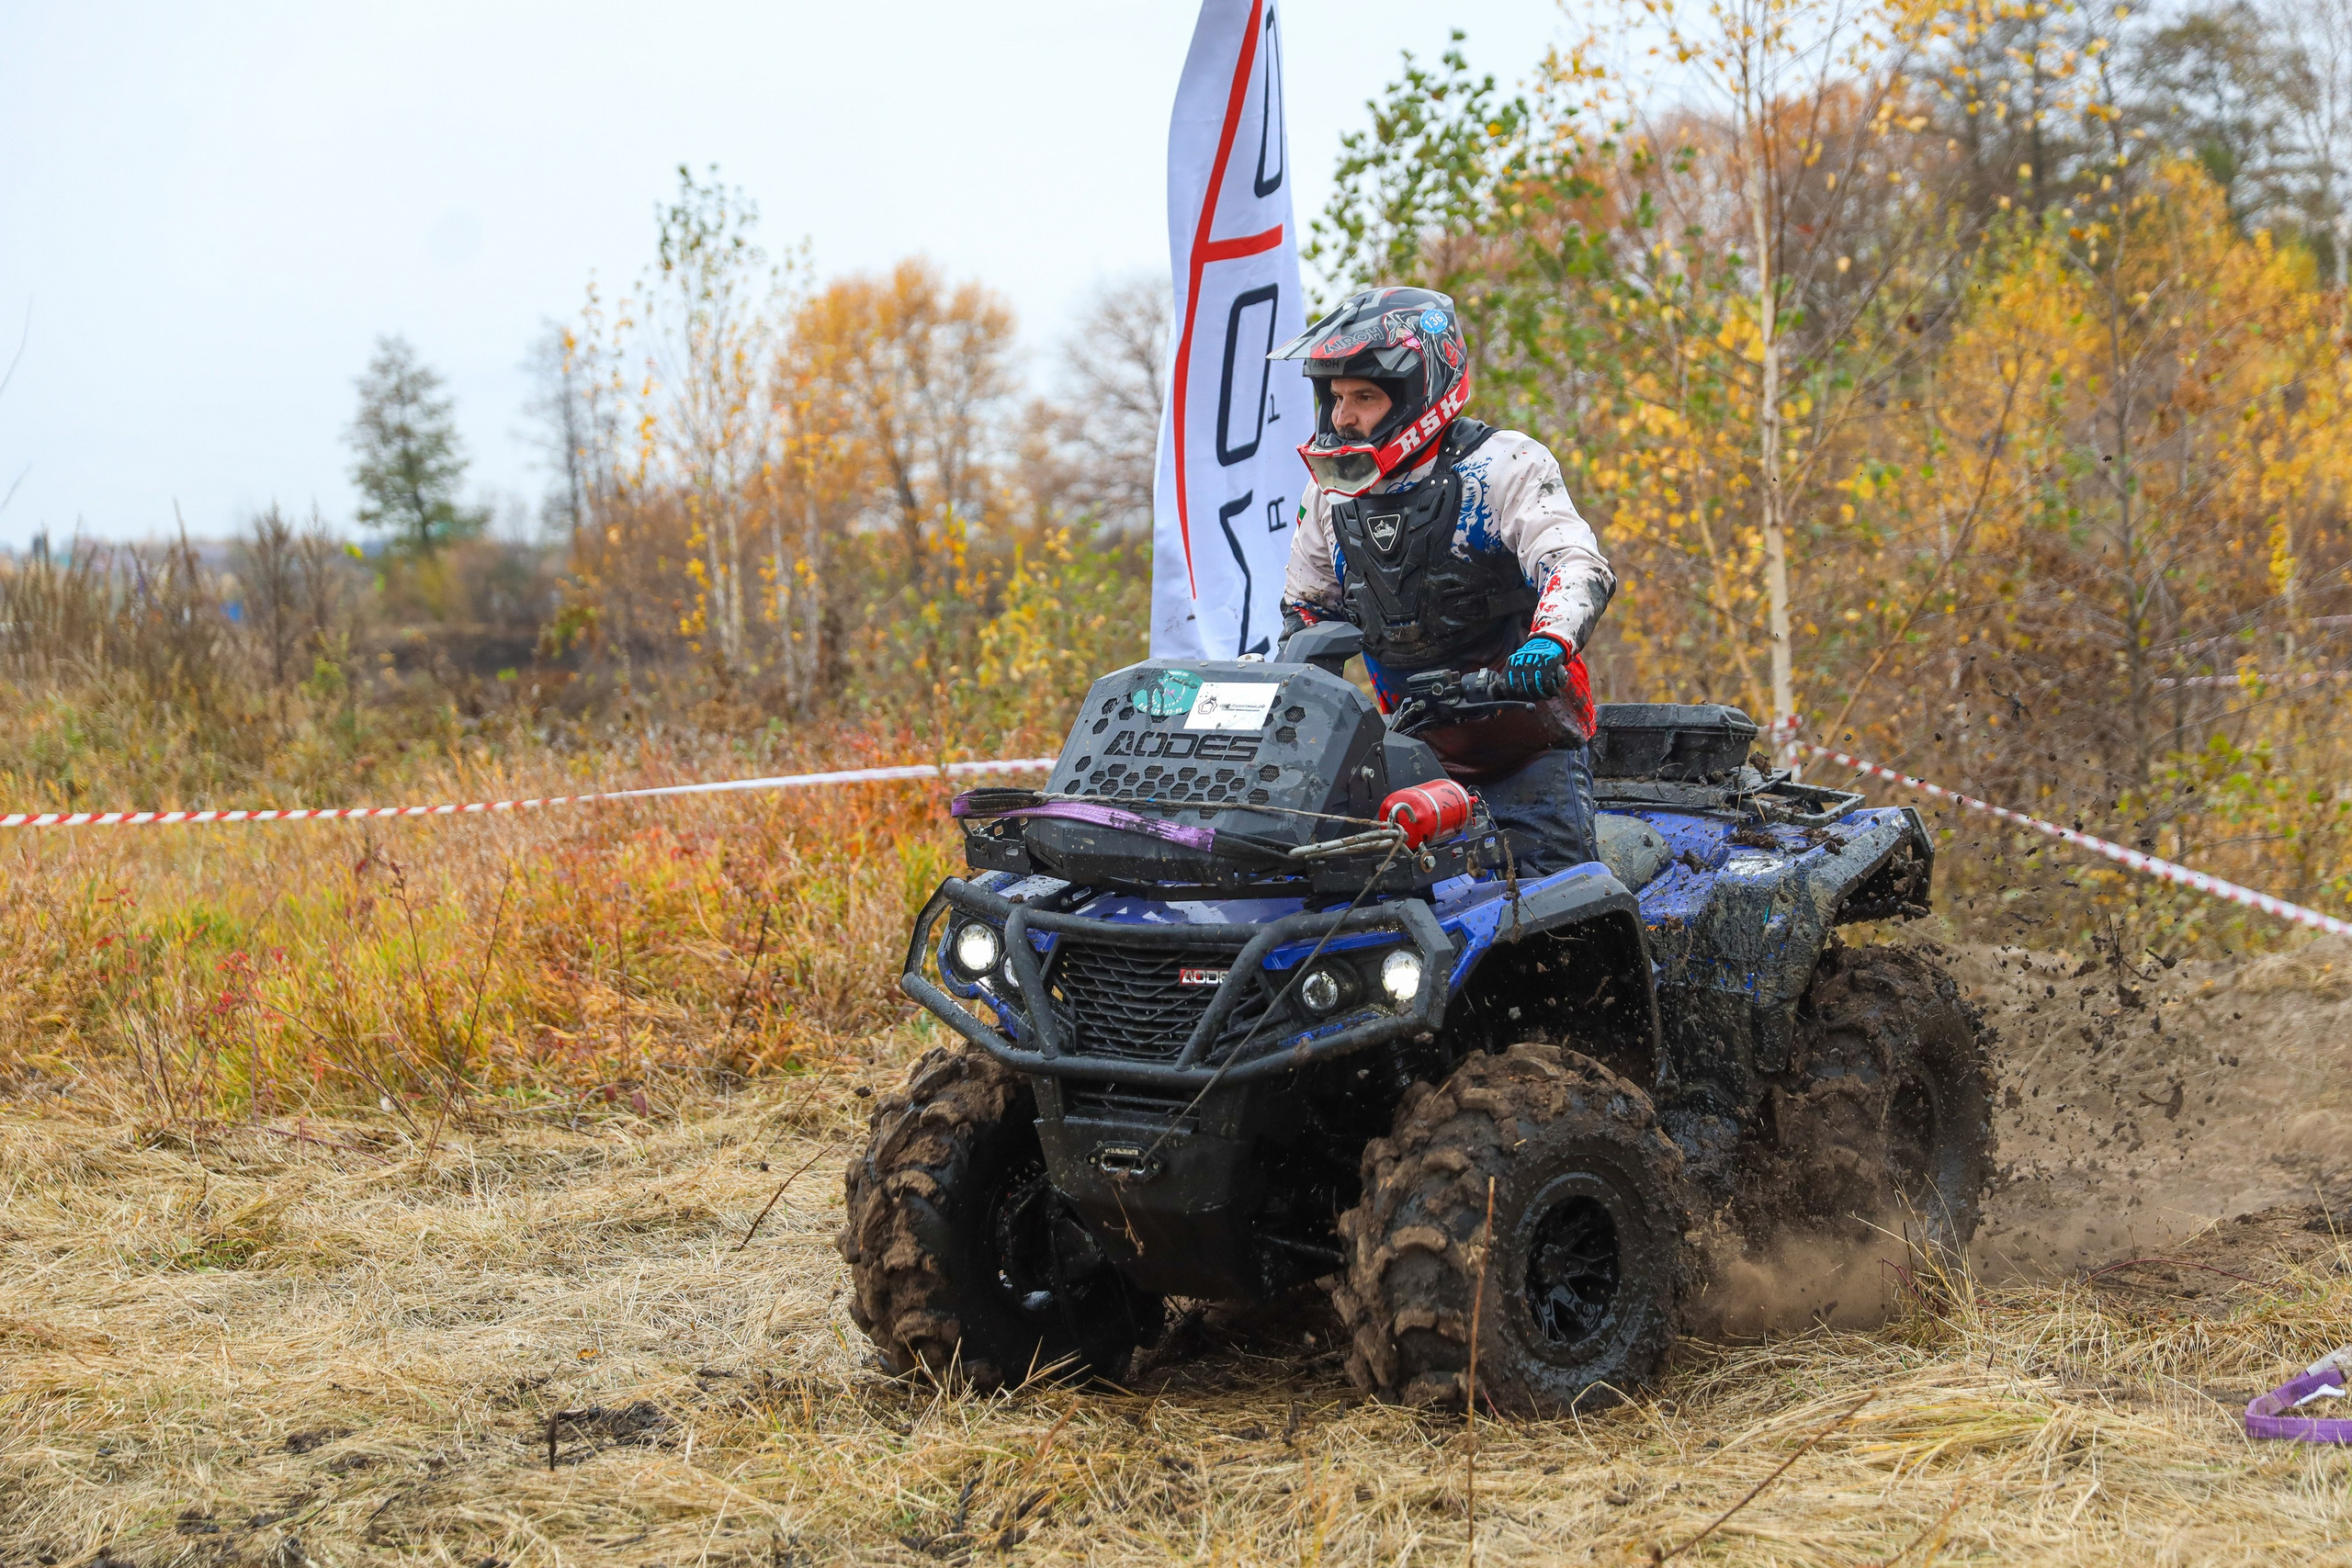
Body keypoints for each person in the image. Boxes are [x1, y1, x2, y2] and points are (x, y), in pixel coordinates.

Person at [1272, 286, 1614, 874]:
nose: (1342, 416)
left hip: (1528, 749)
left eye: (1364, 397)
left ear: (1417, 391)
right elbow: (1306, 611)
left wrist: (1549, 641)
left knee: (1547, 921)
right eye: (1335, 397)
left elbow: (1577, 563)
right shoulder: (1331, 493)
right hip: (1409, 757)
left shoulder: (1502, 466)